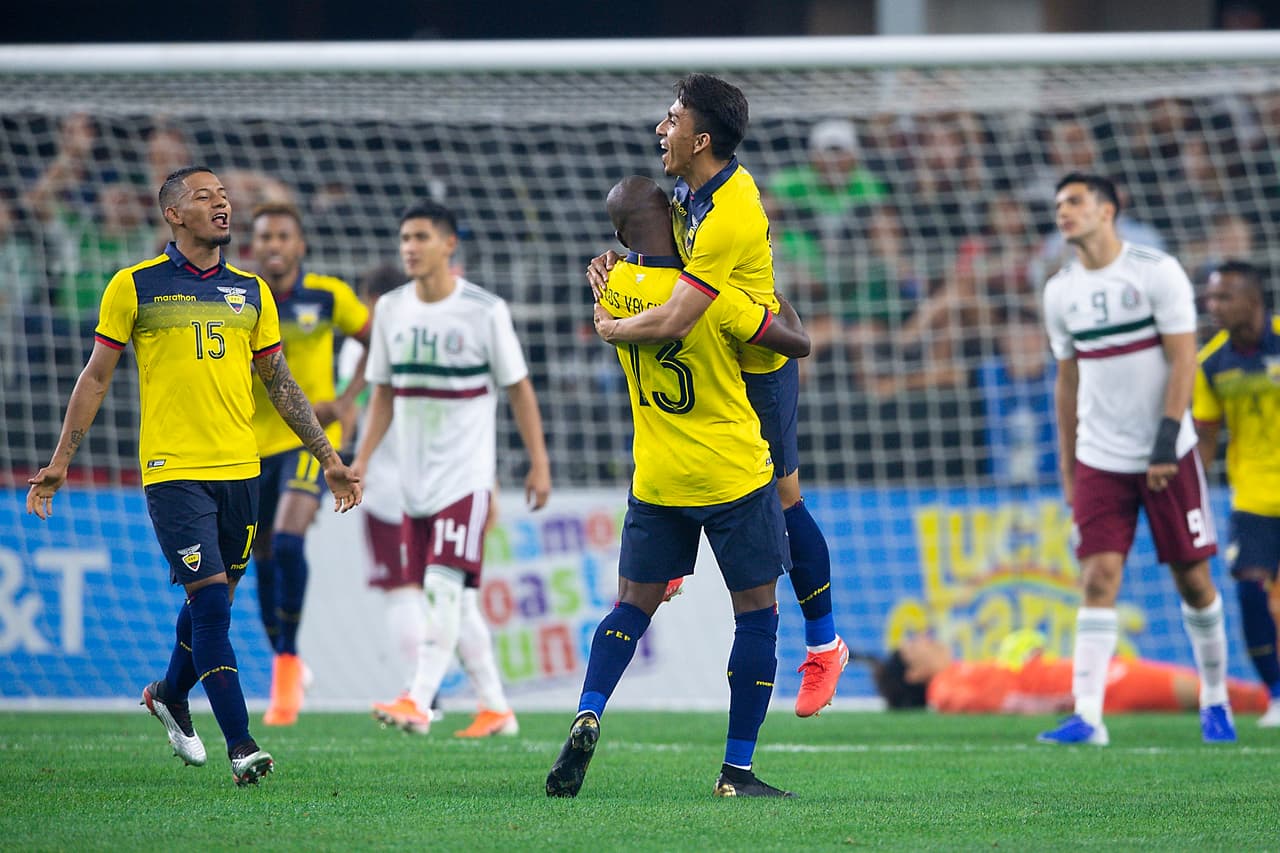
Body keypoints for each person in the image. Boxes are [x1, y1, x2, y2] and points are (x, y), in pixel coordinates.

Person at [25, 166, 362, 786]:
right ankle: (242, 745)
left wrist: (328, 457)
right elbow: (96, 377)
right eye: (205, 198)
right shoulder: (134, 287)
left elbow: (280, 384)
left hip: (244, 472)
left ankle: (169, 693)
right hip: (173, 473)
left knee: (215, 600)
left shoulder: (252, 291)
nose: (222, 206)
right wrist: (60, 463)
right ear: (174, 215)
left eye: (225, 197)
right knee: (210, 603)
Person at [587, 73, 849, 718]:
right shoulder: (687, 191)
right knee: (677, 456)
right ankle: (669, 560)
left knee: (784, 500)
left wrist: (613, 325)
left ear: (702, 138)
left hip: (758, 360)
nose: (660, 128)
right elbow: (659, 245)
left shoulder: (731, 209)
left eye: (672, 119)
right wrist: (617, 259)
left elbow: (684, 317)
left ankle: (825, 644)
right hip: (718, 348)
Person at [548, 175, 810, 800]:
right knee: (757, 617)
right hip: (731, 473)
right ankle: (736, 772)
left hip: (658, 477)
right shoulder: (711, 294)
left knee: (631, 607)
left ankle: (589, 709)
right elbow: (796, 342)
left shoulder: (612, 289)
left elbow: (621, 291)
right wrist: (765, 283)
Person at [1039, 172, 1234, 747]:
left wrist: (1165, 442)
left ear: (1107, 210)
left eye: (1074, 202)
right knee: (1097, 577)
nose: (1063, 212)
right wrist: (1070, 469)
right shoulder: (1060, 291)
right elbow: (1067, 383)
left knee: (1194, 581)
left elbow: (1183, 361)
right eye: (1057, 205)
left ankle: (1216, 699)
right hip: (1101, 458)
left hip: (1166, 453)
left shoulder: (1155, 271)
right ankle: (1089, 716)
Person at [352, 200, 551, 740]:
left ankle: (418, 698)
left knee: (441, 586)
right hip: (414, 484)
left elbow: (519, 389)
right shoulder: (391, 310)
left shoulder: (483, 310)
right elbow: (384, 395)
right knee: (457, 597)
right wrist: (363, 460)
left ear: (448, 244)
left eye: (420, 237)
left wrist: (538, 463)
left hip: (465, 478)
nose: (409, 248)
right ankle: (496, 708)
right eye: (404, 239)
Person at [248, 202, 372, 726]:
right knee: (260, 555)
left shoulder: (327, 294)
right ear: (253, 247)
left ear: (300, 245)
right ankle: (284, 661)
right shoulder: (239, 296)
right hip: (251, 444)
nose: (274, 246)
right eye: (265, 238)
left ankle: (287, 665)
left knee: (290, 538)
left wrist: (347, 401)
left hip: (313, 441)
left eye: (283, 236)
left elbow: (375, 340)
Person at [1193, 260, 1280, 727]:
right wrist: (1195, 496)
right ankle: (1277, 692)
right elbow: (1205, 437)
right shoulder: (1211, 363)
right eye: (1210, 298)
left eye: (1224, 297)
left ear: (1253, 299)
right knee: (1249, 593)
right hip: (1254, 499)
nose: (1214, 306)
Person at [866, 633, 1268, 715]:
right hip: (1095, 688)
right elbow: (1003, 701)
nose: (926, 637)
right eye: (914, 645)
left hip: (1088, 679)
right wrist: (1022, 672)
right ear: (916, 674)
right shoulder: (944, 689)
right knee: (1223, 695)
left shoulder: (958, 672)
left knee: (1219, 694)